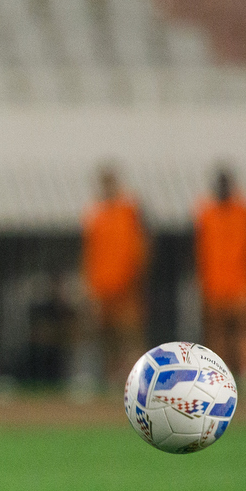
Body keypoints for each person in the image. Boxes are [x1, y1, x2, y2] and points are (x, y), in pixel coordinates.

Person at [195, 168, 246, 393]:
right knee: (218, 334)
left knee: (245, 331)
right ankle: (220, 376)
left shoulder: (244, 209)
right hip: (214, 285)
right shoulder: (206, 212)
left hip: (241, 283)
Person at [82, 166, 149, 389]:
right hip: (102, 288)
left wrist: (135, 276)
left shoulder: (130, 209)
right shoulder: (94, 213)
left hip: (126, 287)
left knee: (129, 336)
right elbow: (90, 253)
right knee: (106, 338)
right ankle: (112, 380)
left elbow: (142, 247)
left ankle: (138, 379)